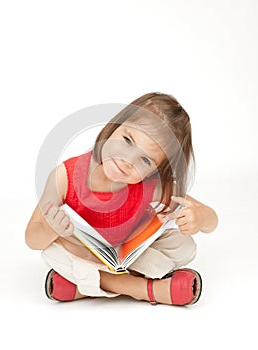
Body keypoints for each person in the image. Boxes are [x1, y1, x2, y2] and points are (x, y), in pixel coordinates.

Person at [25, 92, 218, 306]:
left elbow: (211, 220)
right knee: (54, 252)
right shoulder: (63, 177)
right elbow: (32, 239)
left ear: (156, 169)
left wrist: (200, 218)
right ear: (114, 126)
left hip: (127, 256)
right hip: (85, 256)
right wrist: (51, 229)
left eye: (145, 159)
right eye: (127, 140)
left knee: (183, 245)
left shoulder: (151, 186)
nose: (127, 160)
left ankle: (85, 287)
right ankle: (144, 289)